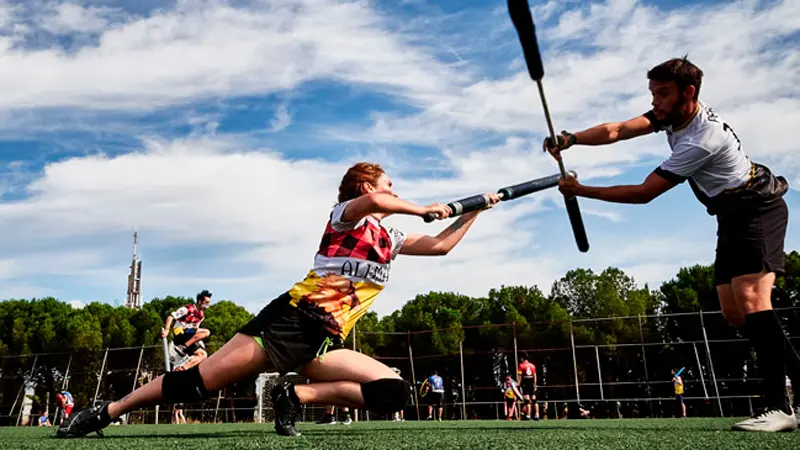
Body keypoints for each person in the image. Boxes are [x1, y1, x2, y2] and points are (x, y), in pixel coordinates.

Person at [56, 162, 499, 438]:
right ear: (366, 188)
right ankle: (105, 412)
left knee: (393, 392)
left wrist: (476, 208)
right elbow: (379, 202)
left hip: (324, 340)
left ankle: (296, 395)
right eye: (387, 184)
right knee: (198, 385)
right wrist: (422, 207)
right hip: (289, 321)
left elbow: (440, 246)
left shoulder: (391, 237)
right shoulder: (344, 218)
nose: (394, 191)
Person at [543, 56, 799, 432]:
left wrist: (581, 190)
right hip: (730, 215)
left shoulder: (702, 139)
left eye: (662, 93)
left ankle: (778, 407)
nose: (655, 101)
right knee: (734, 312)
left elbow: (644, 192)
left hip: (757, 208)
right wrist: (571, 139)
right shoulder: (671, 115)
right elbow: (618, 130)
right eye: (653, 93)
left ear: (688, 93)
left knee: (752, 301)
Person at [164, 290, 213, 371]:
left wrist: (198, 341)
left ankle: (181, 369)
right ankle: (183, 347)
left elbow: (196, 329)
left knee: (203, 355)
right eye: (206, 302)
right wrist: (166, 330)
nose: (208, 305)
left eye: (209, 303)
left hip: (188, 336)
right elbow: (171, 317)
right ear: (199, 301)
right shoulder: (188, 309)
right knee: (206, 332)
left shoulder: (201, 315)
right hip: (180, 332)